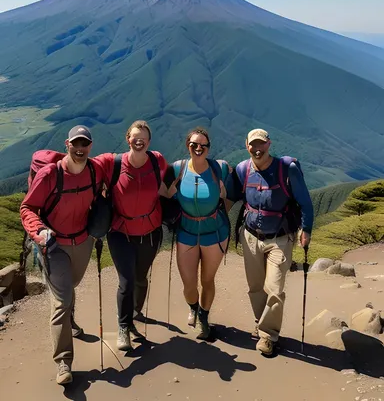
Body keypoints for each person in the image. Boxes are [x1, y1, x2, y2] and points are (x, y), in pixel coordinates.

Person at [20, 125, 105, 385]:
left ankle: (69, 317)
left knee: (72, 285)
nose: (80, 149)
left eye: (85, 144)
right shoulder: (49, 175)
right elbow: (28, 207)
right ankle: (64, 362)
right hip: (53, 244)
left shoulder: (95, 170)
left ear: (90, 146)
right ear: (67, 144)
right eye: (75, 144)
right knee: (61, 301)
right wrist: (40, 232)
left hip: (82, 242)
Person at [231, 128, 313, 356]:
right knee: (256, 288)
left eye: (261, 144)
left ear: (269, 144)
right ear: (246, 145)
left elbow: (305, 202)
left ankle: (268, 335)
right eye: (252, 145)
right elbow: (231, 196)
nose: (257, 149)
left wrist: (306, 230)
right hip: (250, 236)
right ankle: (261, 322)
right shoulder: (242, 170)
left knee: (275, 289)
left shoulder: (287, 169)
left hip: (280, 238)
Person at [94, 120, 167, 351]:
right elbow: (81, 163)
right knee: (126, 282)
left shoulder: (158, 161)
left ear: (149, 141)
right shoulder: (111, 163)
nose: (139, 140)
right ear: (128, 139)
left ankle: (135, 312)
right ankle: (124, 327)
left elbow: (168, 185)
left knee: (140, 278)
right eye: (135, 136)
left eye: (143, 137)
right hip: (120, 233)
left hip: (150, 233)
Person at [165, 127, 232, 340]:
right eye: (194, 144)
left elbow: (234, 189)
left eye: (203, 145)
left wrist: (285, 163)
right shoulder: (178, 169)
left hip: (215, 232)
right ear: (188, 146)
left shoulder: (219, 168)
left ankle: (203, 317)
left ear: (209, 148)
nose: (198, 148)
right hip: (187, 231)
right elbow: (158, 189)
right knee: (189, 283)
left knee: (208, 279)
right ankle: (193, 307)